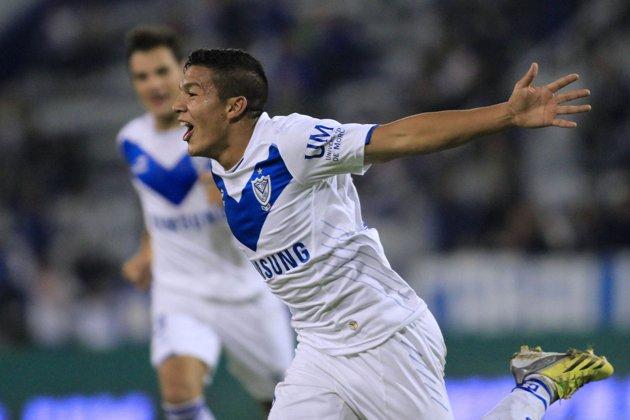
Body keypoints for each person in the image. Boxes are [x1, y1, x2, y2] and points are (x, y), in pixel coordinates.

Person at [173, 48, 613, 420]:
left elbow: (398, 138)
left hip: (381, 335)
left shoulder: (290, 142)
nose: (180, 107)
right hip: (319, 346)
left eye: (192, 94)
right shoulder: (221, 165)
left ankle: (539, 385)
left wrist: (505, 114)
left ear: (233, 107)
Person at [118, 28, 294, 420]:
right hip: (179, 291)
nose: (154, 85)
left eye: (162, 72)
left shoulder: (221, 131)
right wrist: (147, 252)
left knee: (283, 407)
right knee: (178, 395)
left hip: (244, 289)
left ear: (182, 74)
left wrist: (234, 190)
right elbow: (156, 210)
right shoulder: (131, 140)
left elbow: (272, 195)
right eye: (141, 76)